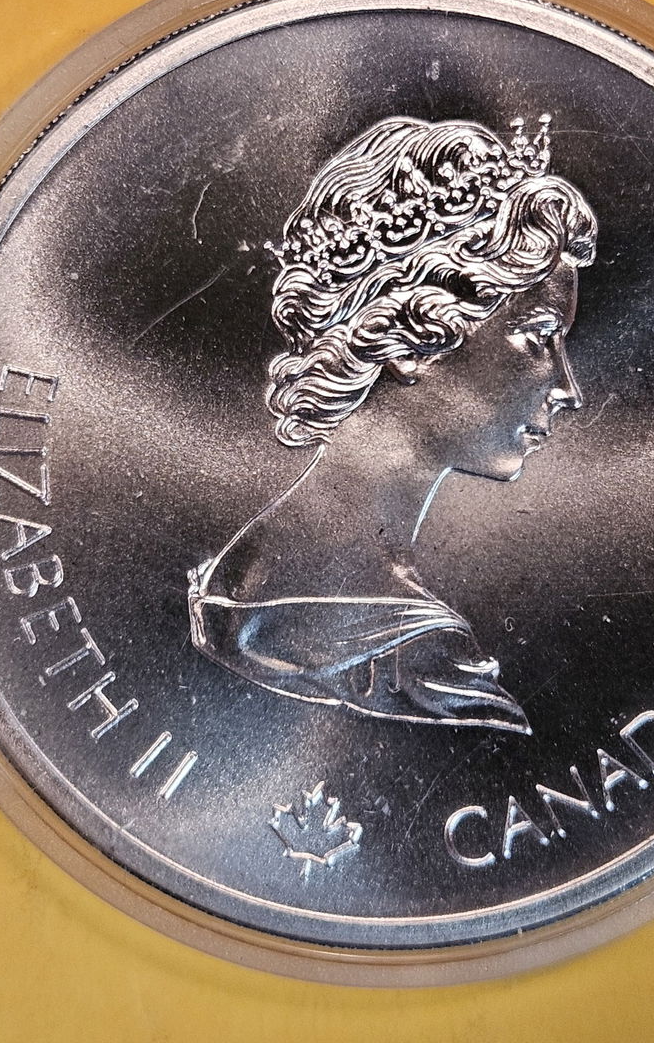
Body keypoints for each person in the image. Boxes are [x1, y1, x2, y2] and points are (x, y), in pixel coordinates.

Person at [187, 113, 597, 734]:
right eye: (539, 336)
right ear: (413, 335)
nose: (568, 390)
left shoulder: (230, 579)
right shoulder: (426, 668)